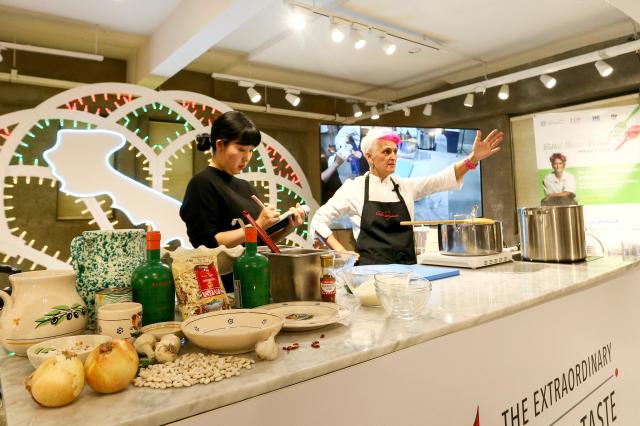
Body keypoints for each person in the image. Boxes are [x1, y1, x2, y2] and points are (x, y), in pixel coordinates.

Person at [310, 127, 504, 265]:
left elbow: (440, 180)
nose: (393, 156)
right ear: (369, 157)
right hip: (370, 275)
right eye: (386, 152)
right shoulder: (354, 188)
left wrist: (472, 159)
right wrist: (341, 251)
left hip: (407, 271)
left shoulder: (404, 186)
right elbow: (318, 220)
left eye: (395, 151)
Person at [180, 111, 305, 290]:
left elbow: (257, 243)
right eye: (241, 149)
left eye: (251, 151)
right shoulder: (202, 183)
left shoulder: (246, 187)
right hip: (222, 287)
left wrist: (287, 227)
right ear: (220, 145)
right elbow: (207, 244)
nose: (247, 157)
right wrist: (257, 225)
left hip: (254, 279)